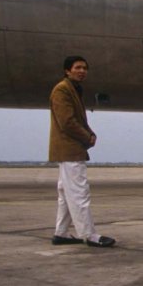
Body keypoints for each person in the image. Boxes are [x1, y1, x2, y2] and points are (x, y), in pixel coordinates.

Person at [48, 56, 116, 248]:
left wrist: (90, 133)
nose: (82, 71)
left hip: (69, 148)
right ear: (67, 71)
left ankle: (61, 232)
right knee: (79, 192)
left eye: (85, 68)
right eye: (77, 67)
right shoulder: (62, 90)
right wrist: (87, 137)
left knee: (65, 192)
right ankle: (90, 235)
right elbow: (67, 122)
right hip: (69, 148)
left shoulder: (73, 89)